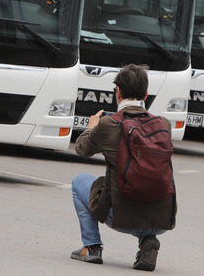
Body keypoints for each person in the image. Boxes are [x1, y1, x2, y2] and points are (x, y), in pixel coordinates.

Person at [70, 64, 177, 271]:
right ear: (146, 94)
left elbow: (82, 149)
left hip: (121, 218)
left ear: (117, 92)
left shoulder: (108, 124)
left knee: (80, 181)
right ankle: (147, 241)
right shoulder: (163, 124)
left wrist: (91, 127)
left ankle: (91, 247)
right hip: (162, 220)